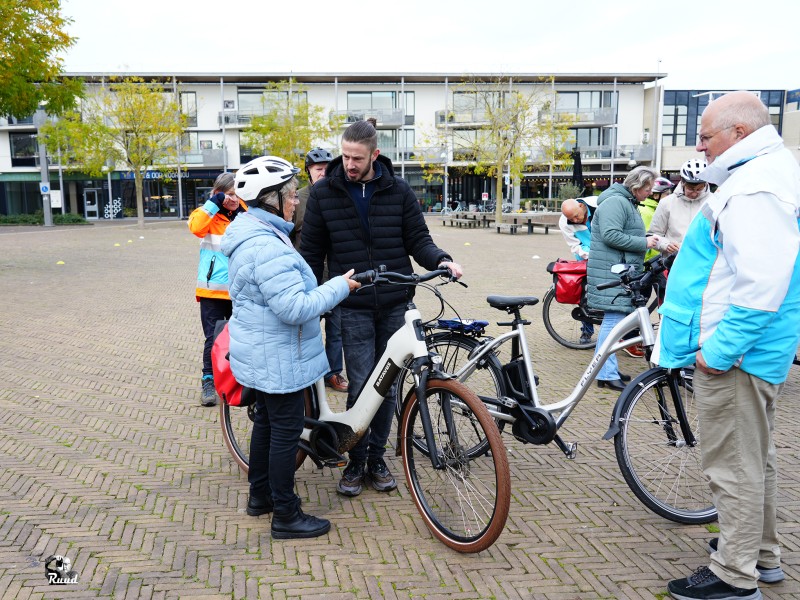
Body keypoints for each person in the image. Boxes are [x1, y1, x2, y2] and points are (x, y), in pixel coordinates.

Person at [658, 91, 800, 600]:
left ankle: (732, 577)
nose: (700, 147)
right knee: (754, 458)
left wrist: (718, 352)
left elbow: (760, 283)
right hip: (753, 352)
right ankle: (761, 557)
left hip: (736, 357)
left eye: (705, 136)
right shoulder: (763, 173)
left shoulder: (755, 189)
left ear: (739, 133)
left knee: (732, 467)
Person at [300, 118, 463, 498]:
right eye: (345, 156)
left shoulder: (398, 191)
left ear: (375, 154)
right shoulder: (325, 193)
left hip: (394, 301)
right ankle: (354, 461)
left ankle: (376, 458)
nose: (350, 164)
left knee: (387, 386)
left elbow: (418, 240)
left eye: (357, 158)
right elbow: (311, 253)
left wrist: (441, 259)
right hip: (352, 304)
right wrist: (308, 297)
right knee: (361, 385)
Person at [221, 155, 360, 540]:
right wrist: (338, 287)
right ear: (270, 200)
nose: (296, 200)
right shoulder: (267, 246)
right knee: (284, 431)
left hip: (261, 351)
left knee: (266, 423)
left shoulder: (254, 233)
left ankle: (260, 497)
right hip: (277, 355)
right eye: (289, 194)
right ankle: (286, 514)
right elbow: (294, 308)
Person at [586, 166, 661, 391]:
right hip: (613, 271)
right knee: (612, 323)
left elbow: (623, 232)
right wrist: (644, 243)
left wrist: (646, 238)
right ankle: (606, 373)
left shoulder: (625, 202)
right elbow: (610, 234)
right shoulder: (617, 202)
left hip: (618, 269)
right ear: (637, 185)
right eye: (647, 188)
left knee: (614, 323)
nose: (650, 192)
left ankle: (607, 371)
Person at [187, 172, 247, 406]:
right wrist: (214, 202)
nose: (233, 199)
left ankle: (237, 379)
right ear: (217, 194)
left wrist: (239, 203)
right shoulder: (207, 216)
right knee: (213, 338)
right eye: (228, 194)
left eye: (236, 194)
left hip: (239, 289)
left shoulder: (244, 216)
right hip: (212, 291)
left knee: (240, 336)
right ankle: (208, 381)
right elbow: (196, 227)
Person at [295, 147, 349, 394]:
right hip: (307, 276)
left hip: (335, 275)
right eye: (319, 170)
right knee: (309, 328)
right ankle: (308, 374)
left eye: (327, 170)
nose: (323, 174)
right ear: (309, 171)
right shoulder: (297, 199)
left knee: (336, 329)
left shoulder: (339, 196)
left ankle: (333, 373)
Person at [648, 158, 711, 256]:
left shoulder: (715, 201)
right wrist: (666, 245)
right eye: (691, 188)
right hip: (673, 262)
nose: (694, 193)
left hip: (705, 262)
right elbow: (653, 234)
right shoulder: (666, 203)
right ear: (682, 182)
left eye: (699, 189)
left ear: (706, 184)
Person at [558, 196, 597, 344]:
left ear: (581, 206)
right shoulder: (564, 221)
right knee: (584, 292)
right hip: (585, 255)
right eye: (571, 219)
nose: (575, 221)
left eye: (576, 216)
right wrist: (590, 255)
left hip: (607, 253)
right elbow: (575, 245)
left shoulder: (597, 205)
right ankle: (586, 331)